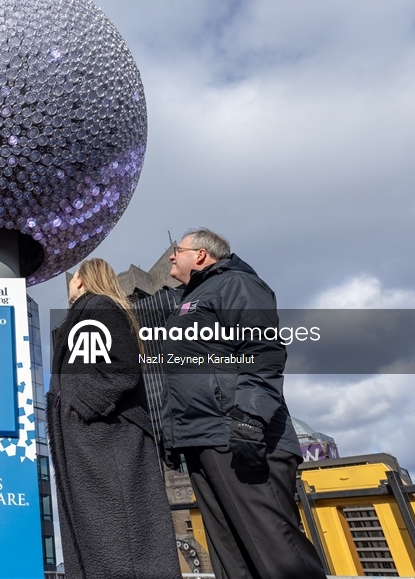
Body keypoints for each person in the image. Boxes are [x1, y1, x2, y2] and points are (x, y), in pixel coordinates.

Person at [163, 229, 326, 579]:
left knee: (277, 554)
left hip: (240, 435)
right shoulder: (189, 299)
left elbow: (263, 352)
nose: (172, 257)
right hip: (203, 439)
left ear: (202, 255)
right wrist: (170, 434)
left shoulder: (235, 284)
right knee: (233, 560)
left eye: (178, 250)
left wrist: (249, 418)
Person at [47, 258, 181, 579]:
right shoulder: (84, 315)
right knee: (101, 541)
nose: (67, 284)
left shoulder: (99, 307)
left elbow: (122, 367)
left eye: (71, 278)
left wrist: (82, 406)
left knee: (122, 541)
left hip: (108, 443)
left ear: (80, 281)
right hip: (92, 444)